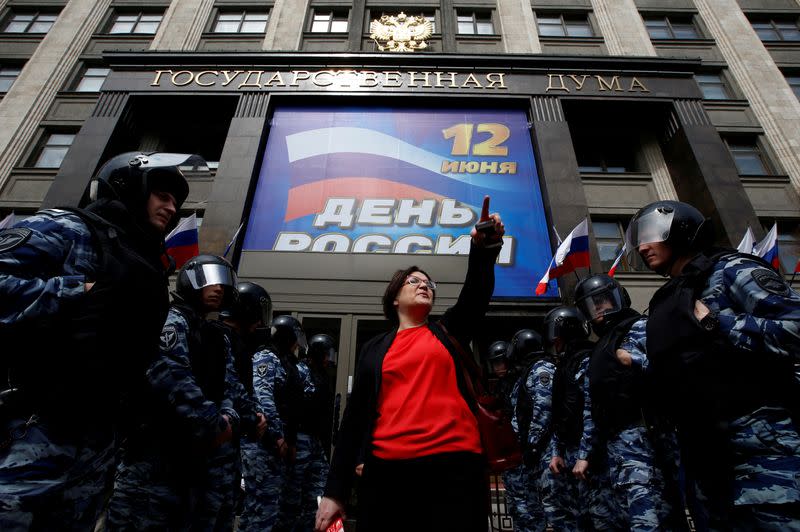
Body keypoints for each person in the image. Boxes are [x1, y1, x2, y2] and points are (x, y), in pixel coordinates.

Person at [0, 151, 196, 530]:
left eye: (176, 201)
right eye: (163, 195)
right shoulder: (69, 227)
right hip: (30, 428)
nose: (171, 207)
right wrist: (78, 290)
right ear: (126, 185)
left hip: (97, 442)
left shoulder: (146, 262)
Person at [315, 198, 505, 532]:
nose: (424, 286)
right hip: (388, 473)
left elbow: (476, 292)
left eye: (429, 284)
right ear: (394, 298)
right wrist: (335, 492)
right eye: (413, 281)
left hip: (456, 466)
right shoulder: (374, 349)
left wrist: (484, 247)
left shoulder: (448, 332)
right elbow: (355, 418)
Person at [626, 200, 800, 530]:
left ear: (681, 230)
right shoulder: (670, 297)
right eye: (639, 239)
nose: (643, 246)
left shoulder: (732, 270)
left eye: (650, 234)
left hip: (765, 457)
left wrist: (717, 323)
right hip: (707, 458)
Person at [106, 254, 243, 529]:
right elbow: (171, 377)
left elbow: (230, 386)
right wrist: (214, 423)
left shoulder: (217, 335)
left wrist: (228, 419)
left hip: (197, 460)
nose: (218, 288)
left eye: (223, 283)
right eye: (210, 281)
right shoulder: (171, 321)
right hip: (155, 457)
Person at [576, 274, 682, 530]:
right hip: (611, 448)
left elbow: (674, 371)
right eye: (593, 306)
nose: (599, 310)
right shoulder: (602, 347)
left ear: (619, 298)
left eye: (604, 302)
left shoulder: (642, 327)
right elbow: (593, 406)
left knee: (649, 519)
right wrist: (585, 455)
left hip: (646, 440)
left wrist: (634, 361)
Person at [548, 305, 621, 530]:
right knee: (583, 519)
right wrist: (558, 452)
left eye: (557, 338)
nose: (555, 344)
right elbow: (560, 413)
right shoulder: (566, 365)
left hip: (593, 458)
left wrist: (585, 454)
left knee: (603, 520)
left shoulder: (588, 359)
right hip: (574, 454)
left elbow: (593, 411)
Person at [239, 314, 305, 531]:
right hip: (263, 444)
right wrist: (277, 436)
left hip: (274, 444)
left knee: (263, 509)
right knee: (261, 510)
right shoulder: (267, 357)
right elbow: (263, 398)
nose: (298, 343)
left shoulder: (287, 362)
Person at [214, 281, 271, 524]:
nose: (259, 324)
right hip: (216, 443)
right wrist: (253, 418)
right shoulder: (223, 338)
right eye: (257, 316)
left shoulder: (232, 340)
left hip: (228, 441)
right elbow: (232, 386)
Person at [280, 334, 336, 531]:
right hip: (300, 438)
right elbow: (291, 408)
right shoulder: (300, 372)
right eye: (326, 354)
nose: (329, 359)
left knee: (318, 490)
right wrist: (291, 440)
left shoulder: (322, 375)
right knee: (292, 494)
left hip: (315, 441)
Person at [507, 328, 549, 532]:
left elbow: (542, 410)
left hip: (542, 453)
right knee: (528, 509)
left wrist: (532, 446)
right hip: (529, 453)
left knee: (553, 509)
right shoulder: (526, 372)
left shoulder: (540, 369)